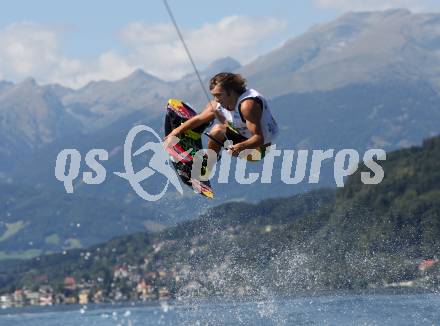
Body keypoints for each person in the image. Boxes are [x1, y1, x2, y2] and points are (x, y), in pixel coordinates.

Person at [165, 72, 279, 160]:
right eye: (214, 95)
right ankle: (194, 132)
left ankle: (206, 166)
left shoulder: (247, 106)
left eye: (219, 95)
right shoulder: (221, 102)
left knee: (217, 130)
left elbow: (259, 138)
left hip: (258, 150)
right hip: (241, 135)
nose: (216, 99)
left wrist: (240, 147)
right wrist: (174, 133)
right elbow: (199, 118)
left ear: (231, 92)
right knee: (212, 107)